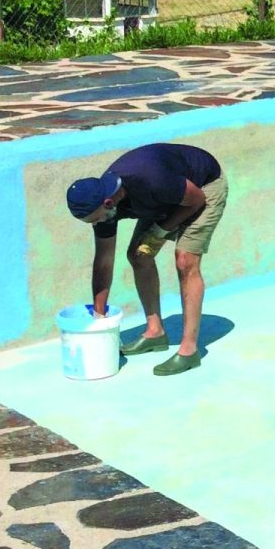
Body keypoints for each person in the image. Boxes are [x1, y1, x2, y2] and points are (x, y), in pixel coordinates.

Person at [65, 143, 228, 377]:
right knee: (138, 255)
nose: (96, 224)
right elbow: (103, 261)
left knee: (185, 261)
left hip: (203, 186)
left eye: (95, 219)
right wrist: (99, 318)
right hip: (166, 199)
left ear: (108, 203)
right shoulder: (102, 208)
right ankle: (155, 332)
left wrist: (160, 231)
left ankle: (189, 350)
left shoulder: (150, 179)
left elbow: (196, 199)